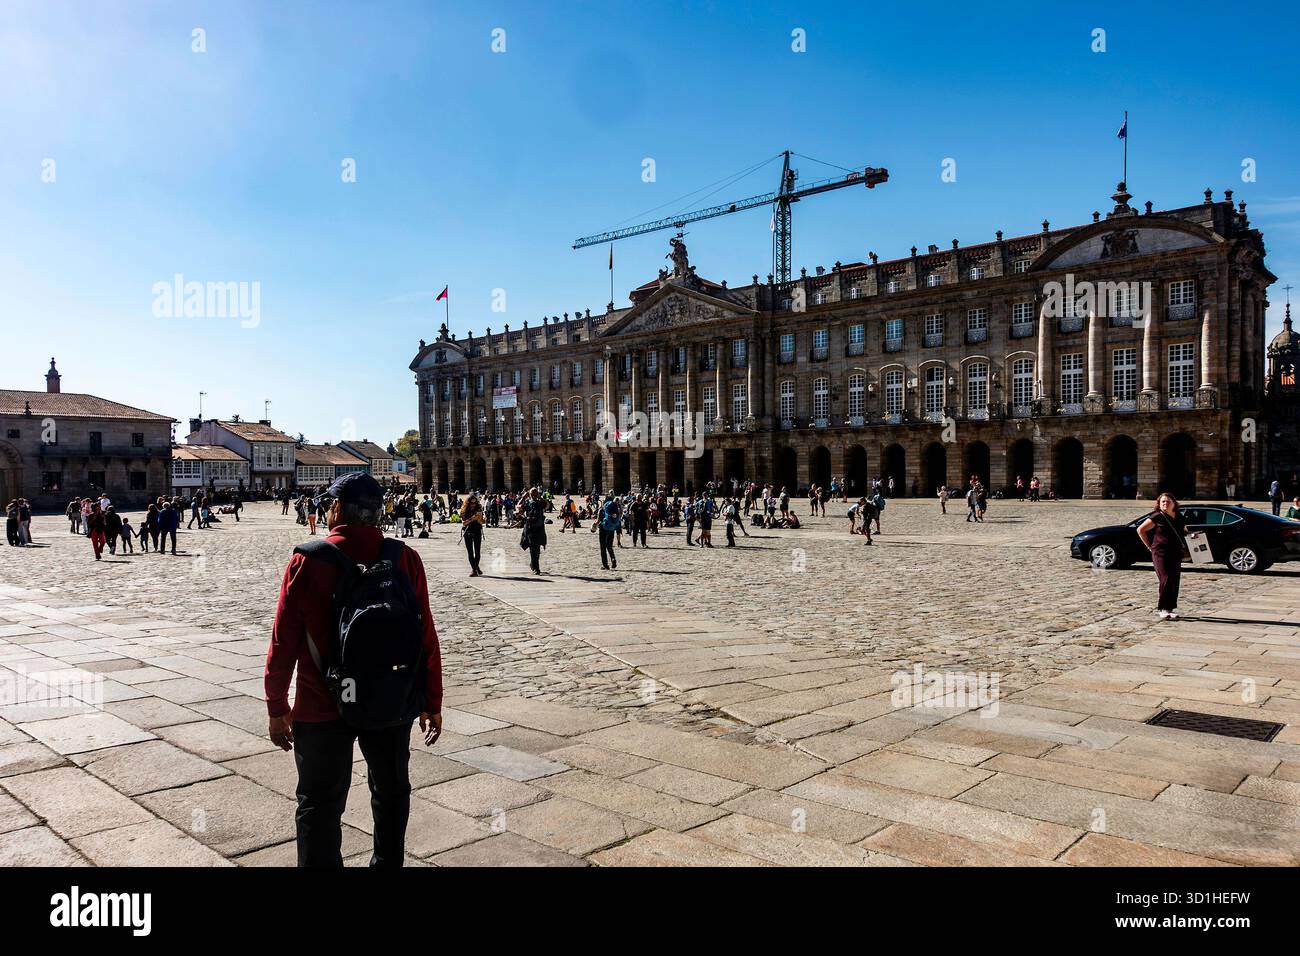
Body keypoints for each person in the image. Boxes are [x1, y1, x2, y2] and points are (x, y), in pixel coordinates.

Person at [265, 472, 443, 867]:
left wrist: (276, 704)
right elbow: (425, 633)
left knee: (319, 803)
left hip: (322, 702)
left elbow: (283, 641)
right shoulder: (403, 558)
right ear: (379, 513)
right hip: (389, 697)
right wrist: (433, 700)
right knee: (391, 792)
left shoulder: (307, 560)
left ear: (335, 509)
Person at [1136, 492, 1187, 621]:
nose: (1165, 503)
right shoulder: (1157, 516)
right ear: (1159, 504)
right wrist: (1149, 546)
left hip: (1175, 552)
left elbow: (1184, 531)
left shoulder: (1179, 516)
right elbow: (1140, 530)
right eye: (1162, 501)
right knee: (1166, 578)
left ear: (1174, 503)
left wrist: (1192, 535)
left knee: (1174, 580)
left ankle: (1170, 609)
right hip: (1160, 552)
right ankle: (1163, 609)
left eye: (1168, 501)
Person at [520, 487, 547, 574]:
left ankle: (533, 564)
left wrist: (540, 497)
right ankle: (536, 568)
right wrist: (523, 497)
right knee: (532, 548)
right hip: (530, 528)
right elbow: (519, 507)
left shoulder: (540, 502)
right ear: (530, 494)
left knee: (537, 549)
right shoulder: (527, 502)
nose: (534, 495)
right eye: (532, 493)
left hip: (539, 528)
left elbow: (547, 505)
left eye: (535, 493)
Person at [460, 492, 485, 576]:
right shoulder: (464, 510)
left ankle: (476, 566)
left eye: (475, 502)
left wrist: (480, 519)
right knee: (470, 552)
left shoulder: (479, 508)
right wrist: (472, 518)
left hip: (477, 530)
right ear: (468, 502)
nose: (473, 504)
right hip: (468, 532)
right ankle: (474, 570)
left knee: (477, 552)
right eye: (471, 503)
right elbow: (463, 523)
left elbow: (483, 522)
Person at [598, 494, 621, 570]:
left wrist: (594, 525)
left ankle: (605, 565)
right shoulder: (615, 508)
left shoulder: (602, 509)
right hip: (611, 528)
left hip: (603, 528)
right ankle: (613, 558)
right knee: (609, 546)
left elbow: (598, 521)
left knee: (603, 547)